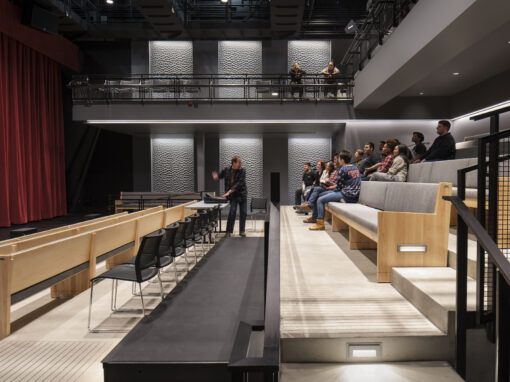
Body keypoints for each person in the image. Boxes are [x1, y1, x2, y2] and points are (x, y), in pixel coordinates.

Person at [309, 150, 361, 230]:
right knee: (321, 194)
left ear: (342, 160)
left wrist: (330, 189)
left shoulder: (343, 169)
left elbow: (339, 187)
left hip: (346, 195)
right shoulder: (355, 167)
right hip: (355, 194)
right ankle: (316, 217)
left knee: (320, 200)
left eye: (339, 159)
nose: (338, 161)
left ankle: (320, 224)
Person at [212, 155, 247, 237]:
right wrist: (216, 177)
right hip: (233, 196)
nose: (240, 164)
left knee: (243, 213)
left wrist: (229, 192)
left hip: (242, 194)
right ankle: (229, 231)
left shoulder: (242, 171)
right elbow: (219, 176)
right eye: (239, 162)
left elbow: (239, 183)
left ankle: (242, 231)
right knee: (232, 212)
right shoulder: (227, 170)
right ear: (234, 163)